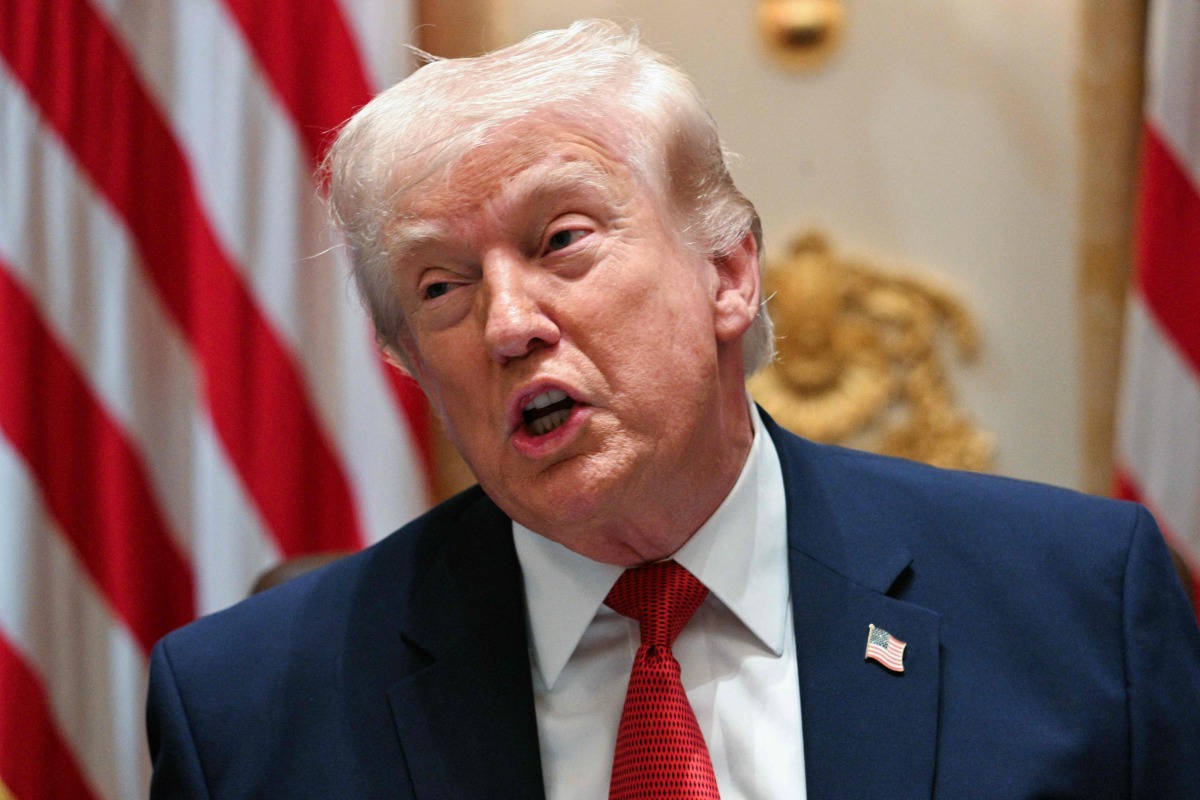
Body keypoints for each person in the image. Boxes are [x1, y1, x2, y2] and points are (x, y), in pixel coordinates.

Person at [146, 20, 1200, 799]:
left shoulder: (1077, 605)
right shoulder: (245, 711)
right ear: (413, 364)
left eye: (560, 239)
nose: (509, 321)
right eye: (440, 288)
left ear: (729, 273)